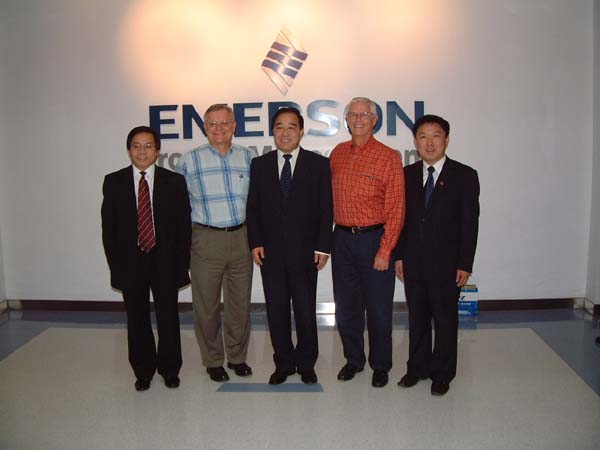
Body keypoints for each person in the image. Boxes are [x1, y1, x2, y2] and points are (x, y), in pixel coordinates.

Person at [246, 107, 333, 385]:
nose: (285, 133)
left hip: (306, 253)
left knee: (305, 310)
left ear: (301, 131)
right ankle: (283, 363)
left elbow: (326, 209)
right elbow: (253, 208)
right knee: (277, 310)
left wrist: (323, 247)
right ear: (273, 131)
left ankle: (306, 363)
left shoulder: (318, 165)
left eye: (292, 127)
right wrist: (255, 242)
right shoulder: (260, 164)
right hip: (270, 253)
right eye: (279, 127)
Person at [395, 114, 480, 396]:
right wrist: (398, 256)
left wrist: (465, 263)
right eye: (423, 136)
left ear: (447, 139)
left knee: (445, 319)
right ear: (415, 141)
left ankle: (443, 373)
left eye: (436, 136)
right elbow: (400, 220)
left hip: (447, 264)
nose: (429, 143)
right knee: (417, 318)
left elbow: (470, 223)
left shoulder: (464, 175)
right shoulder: (406, 175)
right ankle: (417, 368)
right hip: (413, 261)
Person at [101, 125, 191, 391]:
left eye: (148, 146)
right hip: (131, 263)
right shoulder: (114, 182)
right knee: (137, 317)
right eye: (137, 146)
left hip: (165, 262)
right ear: (129, 150)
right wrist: (116, 268)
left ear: (157, 150)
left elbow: (183, 228)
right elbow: (109, 230)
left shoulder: (174, 182)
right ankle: (143, 370)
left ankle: (170, 369)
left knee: (168, 317)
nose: (142, 151)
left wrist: (181, 265)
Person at [329, 97, 405, 388]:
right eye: (353, 114)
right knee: (346, 308)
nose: (358, 119)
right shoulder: (337, 153)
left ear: (375, 120)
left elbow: (396, 209)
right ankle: (353, 360)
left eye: (364, 114)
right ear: (347, 120)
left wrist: (385, 250)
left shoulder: (388, 157)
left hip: (374, 240)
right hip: (342, 239)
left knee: (378, 309)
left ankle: (381, 365)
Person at [176, 104, 254, 382]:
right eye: (212, 124)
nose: (219, 128)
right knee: (206, 307)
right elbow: (178, 208)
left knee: (239, 305)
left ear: (234, 126)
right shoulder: (189, 161)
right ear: (204, 128)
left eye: (225, 123)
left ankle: (237, 357)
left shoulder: (248, 157)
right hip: (206, 239)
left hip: (242, 238)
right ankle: (212, 360)